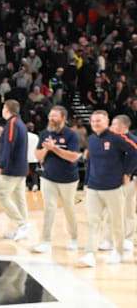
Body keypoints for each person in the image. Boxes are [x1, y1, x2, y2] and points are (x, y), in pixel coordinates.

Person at [78, 110, 137, 267]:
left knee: (117, 222)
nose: (95, 123)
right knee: (93, 222)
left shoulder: (117, 138)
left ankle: (117, 251)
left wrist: (127, 172)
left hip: (113, 188)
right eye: (93, 121)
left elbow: (135, 151)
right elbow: (90, 163)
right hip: (94, 188)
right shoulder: (91, 140)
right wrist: (86, 182)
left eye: (99, 121)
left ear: (107, 122)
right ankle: (90, 254)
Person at [31, 106, 81, 254]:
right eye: (50, 116)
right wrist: (47, 149)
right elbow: (38, 156)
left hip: (68, 180)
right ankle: (45, 241)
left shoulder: (72, 135)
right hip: (48, 178)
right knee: (49, 209)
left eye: (55, 116)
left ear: (63, 119)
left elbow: (73, 157)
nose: (51, 119)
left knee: (69, 210)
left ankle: (73, 238)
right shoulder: (45, 134)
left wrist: (54, 149)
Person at [96, 115, 137, 253]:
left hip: (128, 181)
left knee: (128, 210)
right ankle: (108, 239)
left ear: (124, 126)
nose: (111, 127)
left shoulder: (132, 141)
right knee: (109, 211)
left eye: (114, 124)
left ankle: (128, 239)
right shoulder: (111, 140)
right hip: (111, 181)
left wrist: (128, 173)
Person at [0, 100, 30, 241]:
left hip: (11, 169)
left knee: (2, 195)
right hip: (21, 168)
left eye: (3, 108)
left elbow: (9, 145)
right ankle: (22, 227)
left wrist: (2, 165)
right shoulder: (20, 123)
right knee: (19, 198)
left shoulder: (12, 124)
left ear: (7, 109)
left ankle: (21, 225)